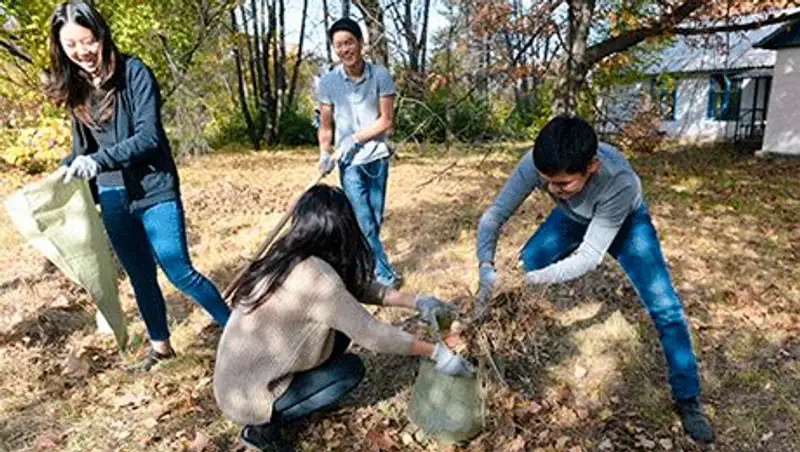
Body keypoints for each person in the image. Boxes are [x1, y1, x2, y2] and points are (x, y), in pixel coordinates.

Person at [475, 115, 714, 443]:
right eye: (546, 181)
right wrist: (485, 266)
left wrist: (533, 280)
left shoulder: (619, 181)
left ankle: (688, 399)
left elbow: (589, 258)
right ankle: (485, 353)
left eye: (562, 185)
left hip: (627, 223)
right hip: (570, 219)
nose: (551, 190)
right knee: (514, 272)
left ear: (592, 167)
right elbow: (494, 216)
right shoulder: (537, 162)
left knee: (666, 308)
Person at [214, 185, 472, 451]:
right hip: (249, 397)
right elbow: (372, 335)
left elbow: (356, 287)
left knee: (338, 335)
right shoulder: (316, 278)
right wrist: (435, 352)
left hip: (235, 382)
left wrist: (416, 301)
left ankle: (290, 396)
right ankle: (261, 430)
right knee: (349, 371)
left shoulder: (288, 258)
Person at [46, 0, 230, 369]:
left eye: (89, 41)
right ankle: (160, 347)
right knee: (140, 276)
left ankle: (237, 328)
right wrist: (63, 171)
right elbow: (81, 149)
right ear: (62, 49)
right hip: (114, 194)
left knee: (178, 269)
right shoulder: (76, 88)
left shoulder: (135, 72)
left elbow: (149, 137)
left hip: (154, 188)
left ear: (101, 34)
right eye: (72, 46)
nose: (83, 52)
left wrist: (95, 161)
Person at [316, 17, 401, 288]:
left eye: (349, 42)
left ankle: (363, 264)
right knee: (362, 220)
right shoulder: (328, 82)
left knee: (374, 219)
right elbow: (326, 125)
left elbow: (386, 121)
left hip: (376, 158)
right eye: (338, 45)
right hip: (349, 162)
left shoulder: (380, 75)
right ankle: (385, 276)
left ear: (361, 43)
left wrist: (355, 137)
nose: (344, 50)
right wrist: (324, 152)